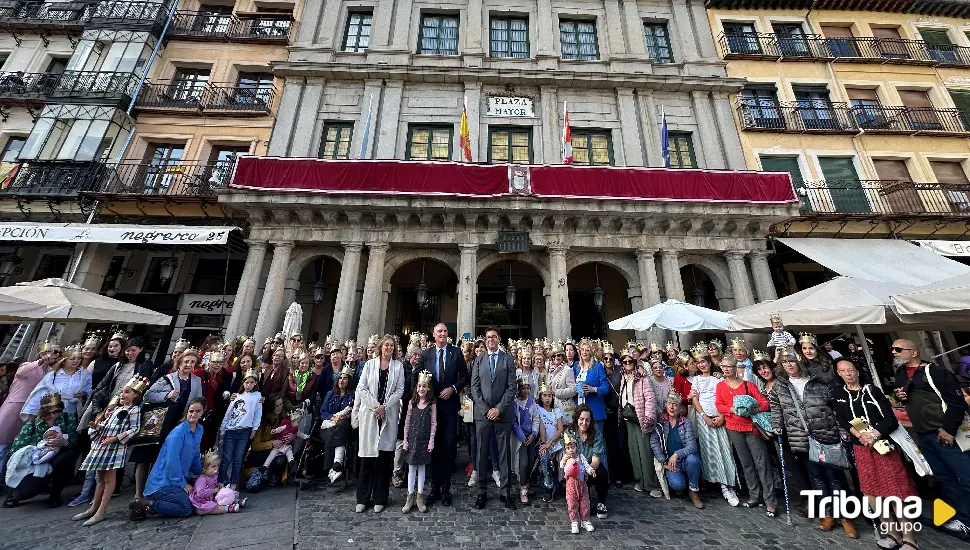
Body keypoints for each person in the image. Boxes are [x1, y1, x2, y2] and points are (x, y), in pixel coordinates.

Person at [769, 348, 856, 538]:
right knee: (817, 478)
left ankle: (845, 517)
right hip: (801, 437)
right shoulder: (780, 386)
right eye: (784, 363)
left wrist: (842, 431)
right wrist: (777, 425)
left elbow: (834, 409)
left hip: (826, 433)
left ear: (799, 362)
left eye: (791, 361)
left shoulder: (819, 382)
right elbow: (776, 407)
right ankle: (828, 514)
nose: (789, 365)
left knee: (835, 478)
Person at [833, 359, 918, 550]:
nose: (848, 373)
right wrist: (858, 434)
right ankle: (892, 533)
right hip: (861, 447)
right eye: (843, 371)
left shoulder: (872, 391)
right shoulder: (838, 394)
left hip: (882, 445)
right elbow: (843, 418)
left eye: (851, 370)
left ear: (857, 371)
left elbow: (891, 420)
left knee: (896, 491)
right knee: (871, 492)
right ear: (838, 373)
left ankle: (910, 539)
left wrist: (873, 434)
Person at [891, 338, 970, 536]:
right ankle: (964, 519)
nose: (894, 352)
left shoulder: (936, 372)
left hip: (944, 433)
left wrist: (948, 429)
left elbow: (957, 402)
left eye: (899, 349)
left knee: (966, 476)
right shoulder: (900, 373)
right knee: (944, 478)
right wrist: (899, 396)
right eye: (892, 349)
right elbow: (903, 395)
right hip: (924, 435)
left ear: (914, 352)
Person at [73, 376, 145, 525]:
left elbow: (135, 428)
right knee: (100, 479)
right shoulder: (115, 409)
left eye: (126, 392)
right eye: (121, 392)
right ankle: (93, 508)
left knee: (109, 479)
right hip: (102, 444)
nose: (122, 395)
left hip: (114, 446)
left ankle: (101, 511)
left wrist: (117, 438)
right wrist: (96, 427)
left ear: (135, 395)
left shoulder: (134, 410)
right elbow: (104, 426)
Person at [133, 349, 203, 500]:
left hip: (178, 424)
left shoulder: (196, 381)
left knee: (165, 459)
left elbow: (198, 400)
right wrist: (166, 395)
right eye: (186, 361)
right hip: (159, 423)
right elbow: (148, 395)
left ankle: (157, 490)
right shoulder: (167, 378)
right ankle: (139, 494)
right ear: (179, 362)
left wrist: (189, 417)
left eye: (192, 362)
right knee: (146, 457)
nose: (189, 365)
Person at [715, 357, 777, 517]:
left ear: (736, 368)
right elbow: (719, 405)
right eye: (724, 367)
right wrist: (731, 410)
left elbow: (764, 403)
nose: (727, 369)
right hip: (733, 428)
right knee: (746, 463)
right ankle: (754, 495)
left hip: (751, 428)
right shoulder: (720, 386)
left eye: (730, 366)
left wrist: (753, 410)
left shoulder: (748, 385)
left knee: (761, 463)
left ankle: (770, 500)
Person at [416, 323, 469, 507]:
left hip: (449, 408)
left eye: (445, 331)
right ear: (434, 334)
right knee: (433, 448)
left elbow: (465, 376)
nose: (443, 334)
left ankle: (446, 489)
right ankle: (434, 489)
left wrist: (453, 388)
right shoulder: (427, 354)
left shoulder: (456, 353)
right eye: (440, 331)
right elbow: (417, 376)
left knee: (448, 449)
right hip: (431, 408)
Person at [129, 397, 206, 520]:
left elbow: (196, 453)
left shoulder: (199, 430)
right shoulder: (177, 434)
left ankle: (167, 504)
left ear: (202, 412)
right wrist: (182, 484)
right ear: (187, 412)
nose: (193, 414)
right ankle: (148, 503)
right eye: (191, 411)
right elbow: (172, 461)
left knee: (202, 491)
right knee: (187, 507)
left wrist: (200, 473)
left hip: (180, 477)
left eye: (198, 411)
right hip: (163, 483)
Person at [352, 334, 404, 513]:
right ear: (380, 346)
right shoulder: (369, 364)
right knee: (367, 459)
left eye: (392, 345)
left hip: (388, 415)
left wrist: (385, 406)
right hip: (370, 413)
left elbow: (400, 390)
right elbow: (361, 388)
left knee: (383, 459)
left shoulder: (398, 366)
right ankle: (363, 497)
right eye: (386, 345)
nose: (388, 348)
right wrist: (376, 406)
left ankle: (380, 498)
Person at [4, 392, 78, 509]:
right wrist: (36, 451)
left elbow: (74, 440)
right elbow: (17, 449)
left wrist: (63, 442)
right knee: (27, 488)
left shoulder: (68, 418)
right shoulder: (33, 424)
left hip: (57, 455)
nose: (53, 415)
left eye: (56, 411)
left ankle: (55, 495)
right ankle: (14, 494)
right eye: (48, 413)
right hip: (35, 458)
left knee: (67, 458)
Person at [470, 326, 517, 510]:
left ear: (499, 339)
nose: (490, 340)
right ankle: (482, 492)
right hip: (482, 416)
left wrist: (498, 409)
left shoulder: (508, 360)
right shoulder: (478, 360)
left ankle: (505, 493)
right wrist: (485, 409)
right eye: (487, 337)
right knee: (481, 454)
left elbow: (511, 387)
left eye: (493, 337)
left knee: (504, 454)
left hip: (502, 414)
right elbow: (474, 388)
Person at [689, 346, 740, 507]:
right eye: (698, 362)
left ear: (709, 362)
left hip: (720, 417)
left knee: (725, 450)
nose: (701, 365)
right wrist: (704, 416)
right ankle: (715, 482)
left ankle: (728, 485)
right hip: (704, 419)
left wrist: (722, 416)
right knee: (710, 451)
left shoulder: (719, 379)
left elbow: (725, 399)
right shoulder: (696, 380)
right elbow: (695, 399)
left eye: (703, 361)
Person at [0, 342, 61, 470]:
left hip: (32, 413)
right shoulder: (28, 365)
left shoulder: (50, 372)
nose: (53, 356)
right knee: (2, 444)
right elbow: (21, 373)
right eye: (51, 352)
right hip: (14, 408)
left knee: (16, 446)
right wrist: (39, 361)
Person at [618, 352, 661, 497]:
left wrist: (649, 416)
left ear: (635, 363)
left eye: (630, 361)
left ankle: (651, 483)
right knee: (634, 450)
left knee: (645, 450)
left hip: (640, 416)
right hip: (628, 416)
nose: (628, 364)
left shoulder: (642, 376)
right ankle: (641, 480)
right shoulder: (624, 377)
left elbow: (649, 397)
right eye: (625, 362)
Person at [651, 390, 703, 509]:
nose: (672, 407)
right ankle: (683, 483)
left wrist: (676, 454)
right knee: (677, 485)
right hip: (670, 462)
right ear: (666, 406)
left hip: (684, 459)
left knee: (693, 460)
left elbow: (692, 446)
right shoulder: (660, 424)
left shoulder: (686, 423)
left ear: (680, 408)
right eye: (669, 403)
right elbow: (654, 443)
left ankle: (694, 491)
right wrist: (663, 461)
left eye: (675, 404)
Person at [218, 366, 262, 489]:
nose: (248, 385)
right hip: (231, 430)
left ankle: (233, 483)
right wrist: (223, 430)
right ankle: (220, 482)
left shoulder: (257, 396)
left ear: (255, 383)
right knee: (226, 458)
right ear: (243, 382)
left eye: (251, 382)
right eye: (246, 382)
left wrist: (254, 428)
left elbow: (258, 414)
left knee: (238, 458)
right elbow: (228, 414)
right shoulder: (236, 396)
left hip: (244, 430)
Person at [22, 344, 91, 420]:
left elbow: (88, 390)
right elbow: (40, 394)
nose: (76, 361)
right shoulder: (53, 375)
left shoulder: (85, 375)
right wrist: (32, 415)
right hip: (50, 414)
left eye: (79, 358)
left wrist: (84, 394)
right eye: (72, 359)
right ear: (64, 361)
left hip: (69, 415)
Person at [401, 370, 437, 513]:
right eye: (419, 386)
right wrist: (405, 440)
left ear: (428, 388)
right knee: (411, 469)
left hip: (424, 440)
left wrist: (431, 441)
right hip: (412, 439)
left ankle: (419, 496)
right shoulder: (412, 402)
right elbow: (407, 422)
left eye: (424, 386)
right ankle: (410, 496)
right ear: (417, 387)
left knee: (421, 468)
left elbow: (434, 422)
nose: (421, 389)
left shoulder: (431, 403)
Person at [571, 404, 610, 519]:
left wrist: (588, 471)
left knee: (602, 473)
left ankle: (601, 502)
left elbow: (596, 459)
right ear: (577, 419)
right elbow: (570, 457)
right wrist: (581, 472)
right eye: (581, 419)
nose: (584, 423)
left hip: (591, 467)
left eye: (587, 420)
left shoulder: (596, 434)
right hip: (576, 468)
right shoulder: (570, 433)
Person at [319, 366, 355, 482]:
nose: (342, 380)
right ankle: (334, 466)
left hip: (343, 427)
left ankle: (334, 466)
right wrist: (333, 418)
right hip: (328, 425)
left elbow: (352, 412)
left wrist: (343, 417)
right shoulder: (330, 394)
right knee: (330, 433)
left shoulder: (352, 396)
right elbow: (323, 412)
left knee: (343, 424)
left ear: (348, 381)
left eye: (345, 378)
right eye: (340, 378)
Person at [190, 449, 245, 515]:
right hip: (202, 501)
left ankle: (236, 501)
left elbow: (213, 484)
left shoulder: (214, 476)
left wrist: (218, 485)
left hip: (211, 497)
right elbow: (200, 493)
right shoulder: (202, 479)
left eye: (217, 466)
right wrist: (213, 490)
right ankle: (227, 508)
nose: (216, 468)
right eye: (213, 466)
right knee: (211, 508)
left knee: (223, 496)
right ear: (204, 469)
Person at [511, 377, 539, 504]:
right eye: (523, 388)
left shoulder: (532, 403)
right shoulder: (515, 404)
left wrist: (534, 433)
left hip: (530, 437)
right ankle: (522, 487)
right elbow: (514, 422)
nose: (526, 391)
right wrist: (522, 437)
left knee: (531, 461)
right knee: (523, 462)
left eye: (528, 388)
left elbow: (536, 419)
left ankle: (526, 483)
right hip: (521, 438)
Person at [561, 431, 595, 534]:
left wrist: (591, 471)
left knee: (585, 502)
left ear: (576, 447)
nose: (571, 450)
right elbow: (561, 466)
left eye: (572, 447)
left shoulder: (581, 457)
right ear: (565, 449)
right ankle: (574, 521)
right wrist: (564, 460)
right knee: (572, 503)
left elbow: (586, 465)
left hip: (582, 484)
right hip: (571, 485)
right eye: (568, 448)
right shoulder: (566, 458)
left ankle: (585, 520)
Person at [536, 383, 564, 503]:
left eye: (549, 396)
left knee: (563, 458)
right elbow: (541, 426)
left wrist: (551, 443)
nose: (547, 398)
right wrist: (544, 443)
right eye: (544, 395)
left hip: (556, 442)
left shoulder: (556, 411)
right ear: (541, 397)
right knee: (545, 457)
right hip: (543, 442)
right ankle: (549, 486)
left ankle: (561, 483)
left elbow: (560, 429)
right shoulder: (538, 409)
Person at [574, 340, 609, 434]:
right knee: (582, 443)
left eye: (587, 350)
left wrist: (593, 389)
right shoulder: (576, 367)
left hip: (594, 412)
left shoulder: (597, 367)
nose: (584, 352)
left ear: (591, 352)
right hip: (580, 412)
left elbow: (606, 388)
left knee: (597, 443)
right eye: (582, 349)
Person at [262, 408, 305, 474]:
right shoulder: (285, 425)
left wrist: (294, 437)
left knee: (288, 454)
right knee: (273, 455)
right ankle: (265, 466)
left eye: (281, 404)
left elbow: (298, 433)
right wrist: (272, 441)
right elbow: (279, 429)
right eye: (277, 406)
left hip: (285, 445)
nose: (280, 407)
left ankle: (291, 462)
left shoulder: (292, 427)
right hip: (271, 447)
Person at [547, 342, 577, 424]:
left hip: (564, 409)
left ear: (563, 357)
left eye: (558, 355)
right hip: (552, 408)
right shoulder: (551, 371)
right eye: (554, 356)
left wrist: (557, 392)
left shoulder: (567, 370)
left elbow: (574, 390)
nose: (556, 357)